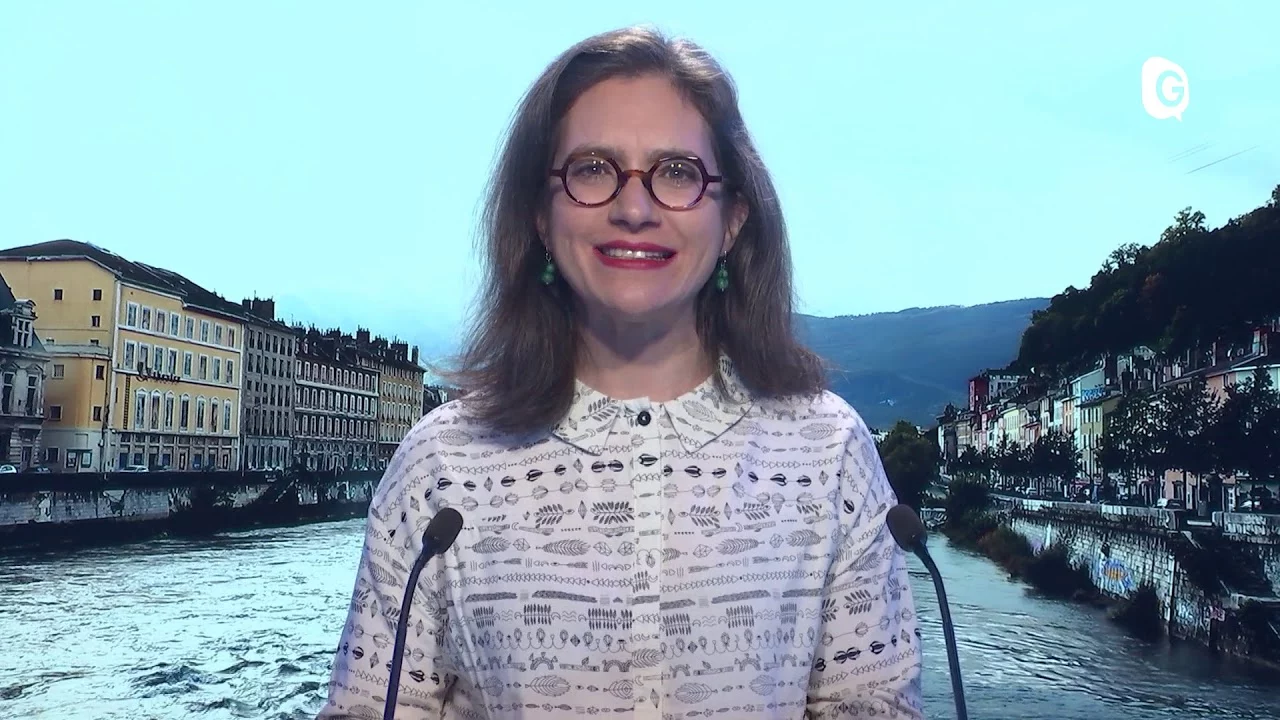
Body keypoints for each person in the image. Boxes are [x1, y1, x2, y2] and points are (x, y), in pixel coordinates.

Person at [317, 25, 924, 720]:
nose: (633, 210)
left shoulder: (829, 453)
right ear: (540, 216)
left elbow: (874, 705)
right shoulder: (438, 463)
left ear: (732, 221)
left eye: (678, 173)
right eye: (592, 169)